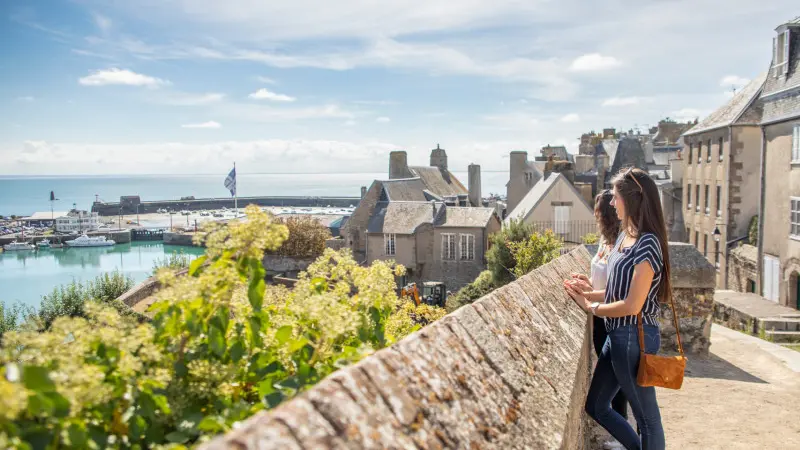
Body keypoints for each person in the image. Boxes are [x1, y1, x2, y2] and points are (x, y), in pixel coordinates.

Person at [563, 167, 671, 450]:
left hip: (636, 338)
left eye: (615, 197)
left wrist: (591, 306)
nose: (611, 203)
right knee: (596, 405)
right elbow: (616, 291)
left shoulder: (648, 243)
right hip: (618, 336)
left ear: (632, 199)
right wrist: (589, 291)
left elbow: (633, 304)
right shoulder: (625, 236)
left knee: (648, 419)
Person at [568, 189, 632, 449]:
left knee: (618, 384)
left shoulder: (622, 244)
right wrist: (586, 284)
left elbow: (620, 289)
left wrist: (590, 299)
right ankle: (624, 437)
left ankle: (624, 438)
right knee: (615, 382)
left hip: (610, 315)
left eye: (598, 211)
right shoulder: (605, 243)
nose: (596, 216)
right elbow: (602, 279)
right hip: (599, 315)